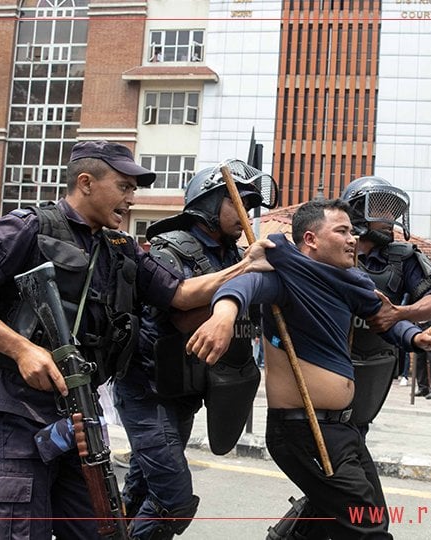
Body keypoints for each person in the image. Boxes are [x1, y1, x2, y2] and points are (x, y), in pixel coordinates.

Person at [0, 140, 274, 539]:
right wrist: (22, 349)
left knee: (101, 529)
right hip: (20, 405)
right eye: (124, 187)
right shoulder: (29, 226)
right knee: (20, 528)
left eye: (134, 189)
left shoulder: (121, 248)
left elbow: (180, 294)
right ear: (86, 183)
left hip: (81, 413)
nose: (131, 198)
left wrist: (243, 268)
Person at [186, 198, 431, 540]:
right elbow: (244, 286)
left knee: (334, 519)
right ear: (311, 239)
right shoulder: (284, 280)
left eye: (352, 231)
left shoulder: (350, 283)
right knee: (368, 528)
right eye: (342, 231)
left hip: (345, 429)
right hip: (304, 429)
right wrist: (223, 316)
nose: (353, 239)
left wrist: (416, 337)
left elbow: (383, 318)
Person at [115, 162, 272, 538]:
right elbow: (185, 319)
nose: (246, 215)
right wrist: (243, 288)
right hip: (147, 391)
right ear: (208, 203)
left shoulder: (233, 255)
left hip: (184, 393)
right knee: (174, 501)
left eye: (250, 206)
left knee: (140, 492)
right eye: (237, 204)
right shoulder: (169, 251)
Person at [341, 176, 431, 420]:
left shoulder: (402, 257)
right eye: (380, 208)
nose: (390, 218)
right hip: (331, 362)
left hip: (376, 361)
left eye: (392, 211)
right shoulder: (332, 252)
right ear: (357, 211)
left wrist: (401, 314)